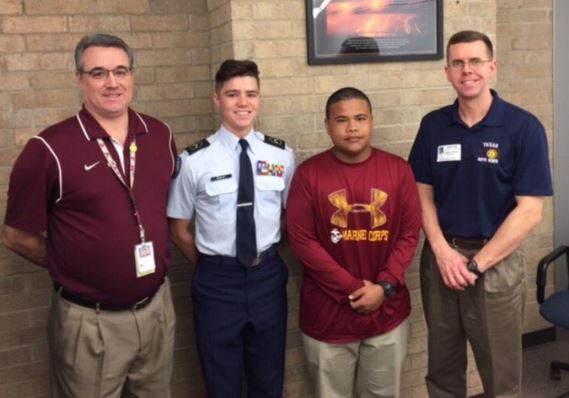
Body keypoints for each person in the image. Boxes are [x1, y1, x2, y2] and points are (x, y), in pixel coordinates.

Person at [1, 33, 177, 397]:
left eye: (120, 71)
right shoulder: (48, 148)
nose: (112, 82)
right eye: (98, 73)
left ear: (132, 75)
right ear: (79, 78)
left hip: (157, 308)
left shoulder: (160, 135)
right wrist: (71, 265)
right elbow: (16, 236)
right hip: (90, 323)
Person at [408, 30, 553, 398]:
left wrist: (476, 265)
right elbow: (421, 194)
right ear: (447, 71)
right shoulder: (433, 126)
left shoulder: (523, 128)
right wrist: (441, 251)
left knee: (501, 374)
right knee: (442, 367)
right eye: (457, 63)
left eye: (474, 61)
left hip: (496, 264)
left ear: (492, 67)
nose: (466, 70)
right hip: (441, 260)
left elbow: (530, 212)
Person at [167, 59, 295, 398]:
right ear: (216, 99)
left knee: (269, 377)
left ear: (259, 98)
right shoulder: (193, 161)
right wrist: (214, 265)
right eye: (233, 94)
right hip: (216, 283)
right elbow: (178, 229)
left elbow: (289, 216)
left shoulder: (281, 155)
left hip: (267, 277)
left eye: (251, 94)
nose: (243, 103)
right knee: (220, 380)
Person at [286, 87, 421, 398]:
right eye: (341, 120)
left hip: (387, 313)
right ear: (327, 125)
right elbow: (303, 241)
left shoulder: (398, 170)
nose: (352, 128)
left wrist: (384, 287)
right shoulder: (308, 175)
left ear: (372, 121)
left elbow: (409, 234)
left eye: (360, 118)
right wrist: (352, 288)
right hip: (329, 318)